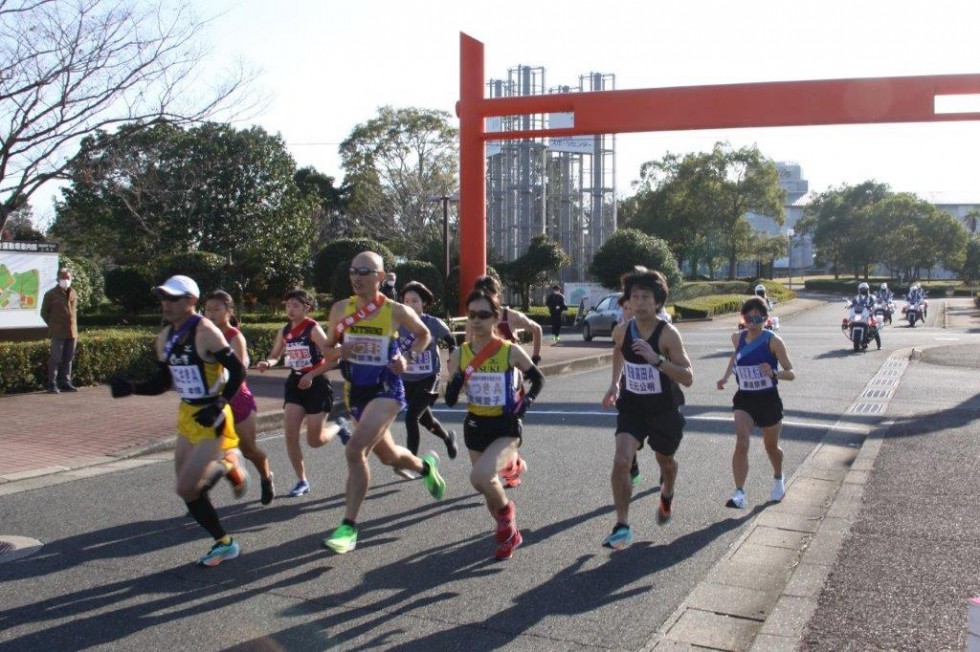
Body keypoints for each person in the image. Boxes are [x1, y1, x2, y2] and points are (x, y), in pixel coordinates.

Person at [110, 275, 249, 567]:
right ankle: (223, 540)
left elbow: (237, 372)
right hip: (187, 416)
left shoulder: (206, 331)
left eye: (173, 298)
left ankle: (226, 535)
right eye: (163, 297)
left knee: (186, 488)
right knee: (188, 489)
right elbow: (162, 382)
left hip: (212, 417)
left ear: (191, 301)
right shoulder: (166, 336)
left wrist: (220, 404)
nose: (166, 304)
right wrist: (132, 388)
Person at [321, 251, 446, 555]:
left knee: (354, 450)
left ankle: (348, 527)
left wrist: (408, 356)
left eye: (365, 271)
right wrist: (342, 350)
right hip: (355, 392)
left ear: (380, 277)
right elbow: (327, 348)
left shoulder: (395, 310)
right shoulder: (340, 309)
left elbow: (424, 334)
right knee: (389, 457)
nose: (357, 277)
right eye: (353, 271)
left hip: (387, 390)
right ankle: (424, 467)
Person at [444, 288, 545, 560]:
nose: (476, 320)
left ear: (496, 317)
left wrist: (525, 406)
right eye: (472, 314)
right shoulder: (460, 354)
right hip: (476, 426)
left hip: (505, 427)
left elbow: (538, 380)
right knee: (486, 487)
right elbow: (451, 401)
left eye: (484, 315)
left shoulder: (508, 351)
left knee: (480, 477)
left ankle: (507, 514)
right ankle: (510, 533)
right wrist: (454, 384)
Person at [600, 269, 693, 549]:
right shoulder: (622, 330)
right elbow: (619, 350)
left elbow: (688, 376)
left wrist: (657, 360)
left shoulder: (668, 335)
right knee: (621, 459)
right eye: (635, 297)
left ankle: (667, 492)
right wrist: (615, 383)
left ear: (658, 303)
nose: (639, 302)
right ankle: (622, 526)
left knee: (665, 462)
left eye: (646, 297)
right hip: (633, 405)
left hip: (663, 409)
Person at [256, 288, 349, 497]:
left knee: (314, 441)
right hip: (295, 384)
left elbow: (332, 359)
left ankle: (339, 427)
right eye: (288, 305)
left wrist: (312, 375)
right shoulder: (285, 330)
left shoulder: (313, 329)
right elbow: (275, 355)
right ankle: (302, 480)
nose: (290, 309)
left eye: (295, 305)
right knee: (290, 435)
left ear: (307, 307)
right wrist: (267, 363)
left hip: (316, 384)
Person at [716, 296, 796, 509]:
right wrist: (725, 377)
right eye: (748, 318)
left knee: (771, 448)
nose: (752, 323)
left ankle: (778, 477)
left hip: (768, 399)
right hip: (745, 398)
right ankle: (739, 493)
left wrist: (774, 373)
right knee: (742, 442)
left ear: (766, 319)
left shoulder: (773, 341)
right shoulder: (737, 338)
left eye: (757, 318)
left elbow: (791, 372)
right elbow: (736, 356)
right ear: (743, 318)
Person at [204, 290, 276, 505]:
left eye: (217, 309)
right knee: (205, 451)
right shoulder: (202, 335)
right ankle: (198, 495)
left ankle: (266, 477)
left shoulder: (235, 337)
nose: (212, 314)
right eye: (208, 309)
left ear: (229, 311)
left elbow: (238, 369)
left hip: (237, 399)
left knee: (248, 450)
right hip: (211, 401)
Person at [471, 274, 542, 488]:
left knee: (504, 429)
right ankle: (513, 465)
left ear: (497, 296)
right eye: (480, 293)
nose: (484, 298)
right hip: (484, 383)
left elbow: (537, 329)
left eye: (489, 293)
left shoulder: (509, 316)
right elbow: (467, 347)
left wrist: (535, 359)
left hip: (511, 384)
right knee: (486, 433)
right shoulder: (474, 320)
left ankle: (510, 466)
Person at [396, 281, 459, 471]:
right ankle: (448, 438)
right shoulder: (398, 324)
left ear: (424, 303)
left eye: (415, 301)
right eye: (406, 301)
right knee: (426, 421)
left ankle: (409, 461)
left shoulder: (433, 323)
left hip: (429, 378)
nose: (410, 305)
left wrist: (452, 358)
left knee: (411, 417)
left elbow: (452, 341)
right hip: (406, 379)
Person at [40, 268, 78, 393]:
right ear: (58, 278)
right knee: (55, 358)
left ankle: (66, 382)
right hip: (57, 331)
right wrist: (53, 325)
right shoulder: (51, 294)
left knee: (68, 358)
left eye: (68, 278)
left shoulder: (73, 293)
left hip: (71, 331)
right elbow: (44, 313)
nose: (66, 280)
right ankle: (52, 384)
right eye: (63, 278)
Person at [851, 282, 881, 349]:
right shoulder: (856, 297)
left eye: (864, 289)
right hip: (858, 313)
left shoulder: (871, 297)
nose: (863, 290)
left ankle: (879, 345)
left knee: (874, 327)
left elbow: (874, 304)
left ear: (867, 289)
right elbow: (853, 303)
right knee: (851, 322)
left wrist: (872, 306)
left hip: (868, 314)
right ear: (859, 290)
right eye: (862, 289)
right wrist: (850, 305)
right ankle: (853, 334)